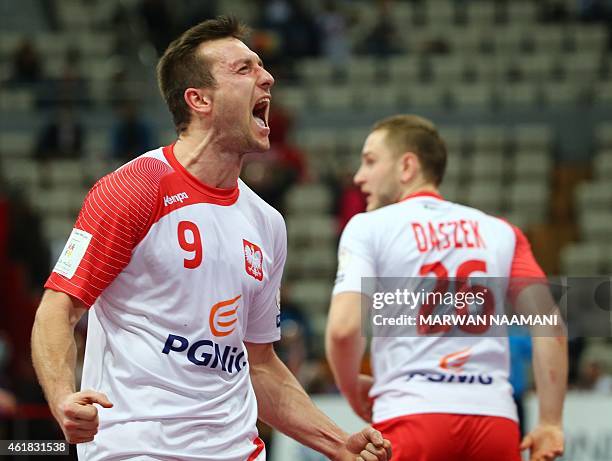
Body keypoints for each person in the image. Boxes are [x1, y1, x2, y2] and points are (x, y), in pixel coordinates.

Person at [31, 17, 391, 461]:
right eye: (244, 69)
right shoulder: (136, 188)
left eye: (261, 67)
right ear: (198, 99)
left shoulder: (267, 223)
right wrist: (62, 397)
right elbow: (57, 308)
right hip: (139, 449)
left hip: (237, 450)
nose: (268, 77)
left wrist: (339, 442)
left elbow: (259, 364)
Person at [326, 114, 567, 461]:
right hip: (494, 419)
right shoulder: (500, 231)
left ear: (406, 166)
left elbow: (344, 329)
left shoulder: (368, 227)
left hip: (411, 413)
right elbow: (550, 326)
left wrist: (351, 389)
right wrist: (549, 421)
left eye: (370, 161)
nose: (358, 176)